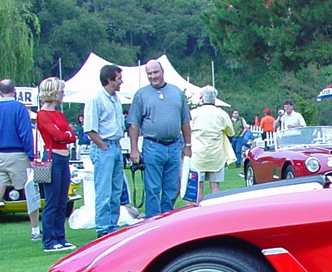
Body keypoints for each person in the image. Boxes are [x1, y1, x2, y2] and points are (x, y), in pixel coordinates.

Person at [127, 60, 192, 217]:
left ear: (162, 71)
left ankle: (167, 218)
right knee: (153, 187)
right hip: (152, 146)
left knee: (172, 186)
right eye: (149, 73)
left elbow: (185, 121)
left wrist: (188, 144)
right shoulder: (141, 95)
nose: (153, 76)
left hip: (175, 145)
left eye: (155, 72)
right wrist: (134, 149)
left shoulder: (177, 92)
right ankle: (153, 221)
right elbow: (134, 125)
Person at [0, 79, 40, 245]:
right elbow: (25, 132)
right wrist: (30, 156)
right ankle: (35, 230)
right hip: (17, 154)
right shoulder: (20, 108)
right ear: (14, 90)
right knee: (29, 193)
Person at [35, 77, 77, 252]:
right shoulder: (42, 115)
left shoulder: (58, 114)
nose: (63, 95)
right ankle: (49, 240)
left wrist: (65, 134)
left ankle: (60, 236)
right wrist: (65, 134)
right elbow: (58, 136)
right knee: (52, 201)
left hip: (63, 158)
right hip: (53, 159)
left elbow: (71, 135)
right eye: (60, 91)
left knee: (62, 201)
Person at [84, 64, 125, 238]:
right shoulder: (96, 99)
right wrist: (103, 146)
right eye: (119, 78)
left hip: (116, 146)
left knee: (117, 189)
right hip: (105, 147)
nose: (121, 81)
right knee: (104, 190)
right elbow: (89, 128)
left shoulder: (116, 99)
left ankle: (112, 225)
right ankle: (102, 228)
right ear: (109, 80)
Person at [189, 86, 235, 202]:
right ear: (215, 98)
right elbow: (231, 132)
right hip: (216, 155)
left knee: (198, 186)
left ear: (201, 98)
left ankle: (197, 211)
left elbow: (185, 130)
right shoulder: (222, 114)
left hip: (198, 154)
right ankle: (214, 211)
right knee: (215, 186)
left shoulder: (193, 113)